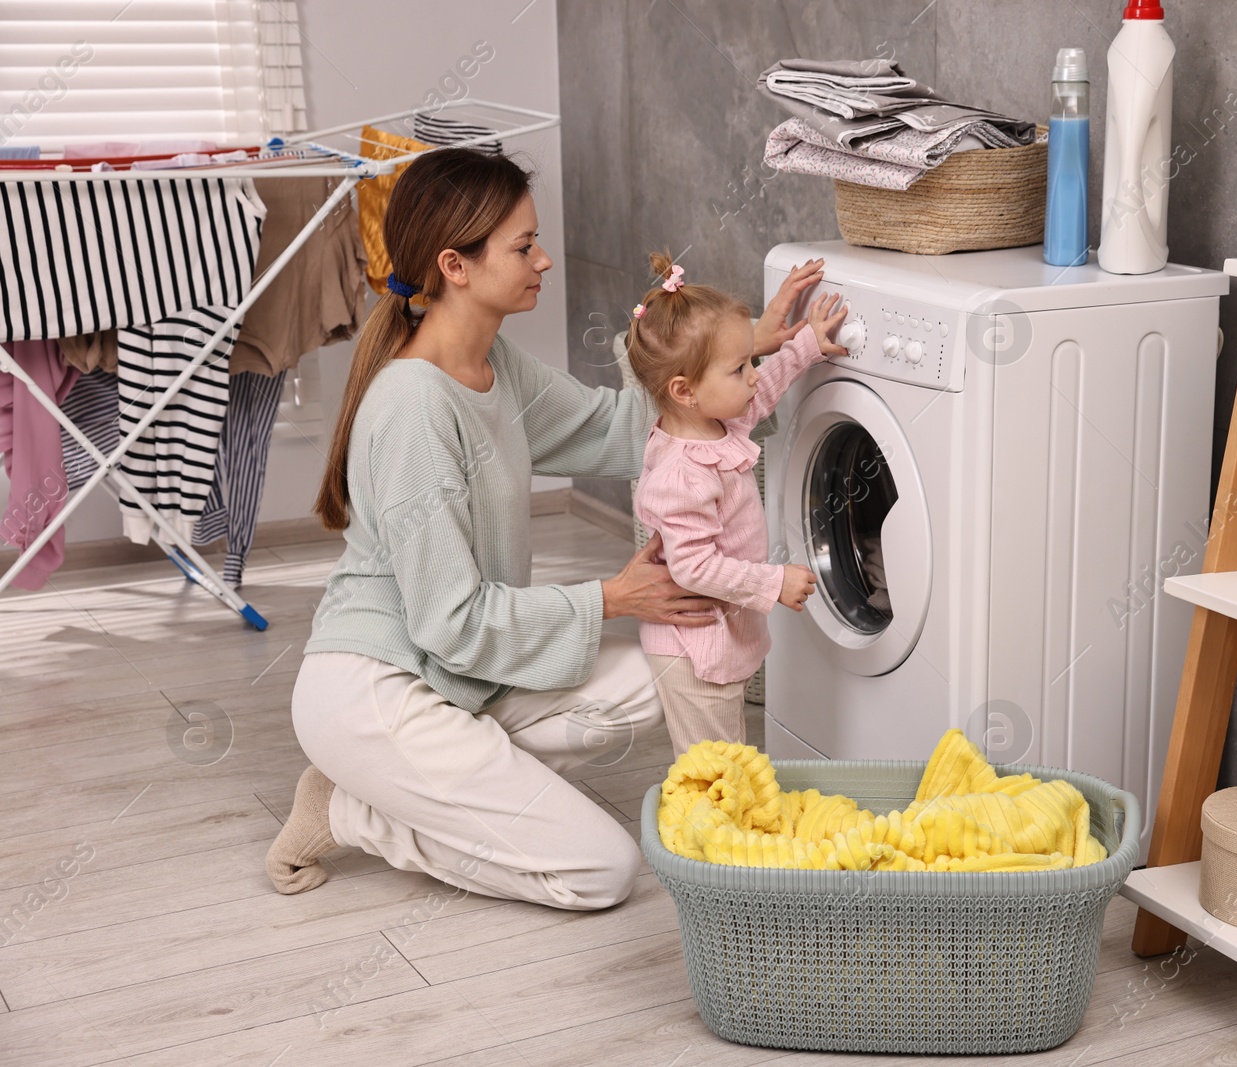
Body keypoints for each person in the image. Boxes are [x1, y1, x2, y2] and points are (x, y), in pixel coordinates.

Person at [265, 148, 813, 910]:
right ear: (455, 265)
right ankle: (353, 807)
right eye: (523, 247)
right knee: (600, 870)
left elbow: (621, 428)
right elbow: (448, 619)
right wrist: (611, 599)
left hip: (458, 671)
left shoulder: (495, 364)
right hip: (377, 685)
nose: (544, 259)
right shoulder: (411, 410)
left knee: (673, 665)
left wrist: (746, 343)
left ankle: (450, 784)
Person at [626, 250, 847, 756]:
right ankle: (702, 834)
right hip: (690, 647)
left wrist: (806, 344)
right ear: (685, 391)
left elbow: (763, 390)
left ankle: (724, 826)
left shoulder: (716, 422)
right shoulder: (682, 475)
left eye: (750, 360)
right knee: (715, 770)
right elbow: (694, 566)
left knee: (727, 757)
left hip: (715, 633)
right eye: (738, 367)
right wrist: (774, 581)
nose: (752, 374)